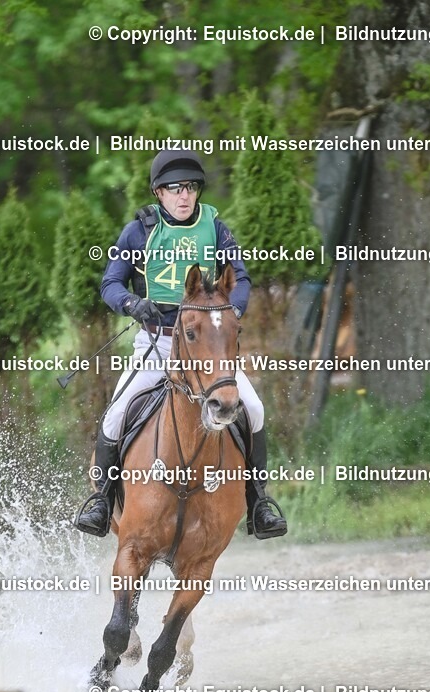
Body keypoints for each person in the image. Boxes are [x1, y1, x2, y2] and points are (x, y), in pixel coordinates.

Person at [74, 148, 287, 541]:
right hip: (156, 344)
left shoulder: (216, 228)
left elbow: (240, 279)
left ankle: (259, 503)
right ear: (159, 192)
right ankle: (102, 502)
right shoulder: (138, 231)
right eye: (174, 188)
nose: (184, 195)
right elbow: (110, 284)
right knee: (115, 415)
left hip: (207, 349)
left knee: (253, 409)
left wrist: (225, 315)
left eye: (190, 187)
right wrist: (134, 303)